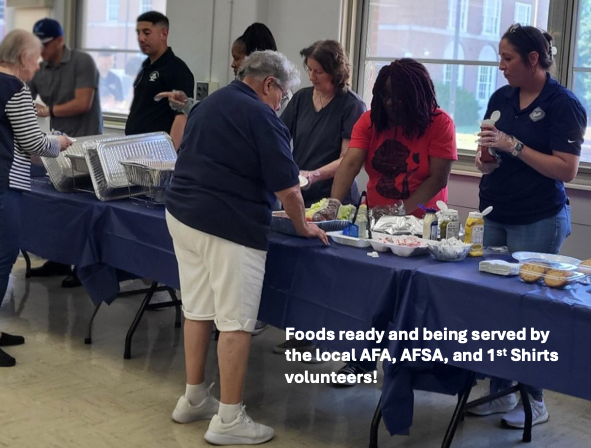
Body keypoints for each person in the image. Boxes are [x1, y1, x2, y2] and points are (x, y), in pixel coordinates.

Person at [165, 50, 328, 445]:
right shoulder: (261, 115)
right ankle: (229, 419)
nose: (282, 103)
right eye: (284, 95)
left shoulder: (210, 103)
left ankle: (193, 397)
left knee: (198, 309)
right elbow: (288, 187)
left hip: (183, 216)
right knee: (236, 321)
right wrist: (303, 225)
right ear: (269, 84)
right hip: (228, 224)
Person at [468, 24, 586, 429]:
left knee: (529, 312)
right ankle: (500, 393)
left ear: (533, 59)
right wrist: (487, 156)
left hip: (538, 218)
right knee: (493, 305)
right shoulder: (501, 96)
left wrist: (514, 146)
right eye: (499, 57)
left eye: (507, 58)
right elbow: (489, 151)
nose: (499, 66)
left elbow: (566, 170)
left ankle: (534, 400)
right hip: (496, 212)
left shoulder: (563, 103)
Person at [330, 58, 458, 384]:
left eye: (397, 98)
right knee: (366, 294)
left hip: (420, 228)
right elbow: (350, 163)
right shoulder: (372, 120)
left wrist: (396, 214)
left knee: (407, 301)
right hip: (376, 220)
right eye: (384, 97)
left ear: (417, 96)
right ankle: (360, 361)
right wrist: (333, 204)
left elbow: (437, 179)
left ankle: (404, 369)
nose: (390, 104)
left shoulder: (439, 122)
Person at [0, 29, 72, 367]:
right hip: (3, 186)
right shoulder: (15, 88)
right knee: (2, 261)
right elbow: (35, 145)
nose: (39, 65)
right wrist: (61, 142)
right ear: (23, 59)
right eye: (36, 59)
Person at [28, 17, 103, 288]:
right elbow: (21, 95)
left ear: (59, 41)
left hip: (85, 144)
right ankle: (58, 259)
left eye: (45, 45)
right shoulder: (40, 69)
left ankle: (85, 268)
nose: (42, 51)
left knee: (85, 208)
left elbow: (84, 102)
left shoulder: (82, 62)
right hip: (58, 145)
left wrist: (50, 111)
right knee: (59, 206)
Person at [280, 39, 367, 208]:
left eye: (318, 72)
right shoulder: (300, 98)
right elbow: (279, 136)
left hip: (335, 198)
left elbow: (348, 159)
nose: (312, 76)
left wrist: (314, 175)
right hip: (300, 193)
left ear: (335, 72)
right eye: (309, 69)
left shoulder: (352, 105)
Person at [156, 23, 277, 117]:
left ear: (253, 60)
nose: (232, 64)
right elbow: (214, 111)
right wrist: (186, 104)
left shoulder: (280, 97)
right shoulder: (236, 92)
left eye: (237, 58)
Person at [125, 11, 194, 150]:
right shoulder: (146, 67)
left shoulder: (176, 69)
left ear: (163, 33)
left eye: (147, 32)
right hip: (135, 147)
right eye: (138, 33)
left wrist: (170, 155)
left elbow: (181, 116)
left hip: (156, 152)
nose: (141, 38)